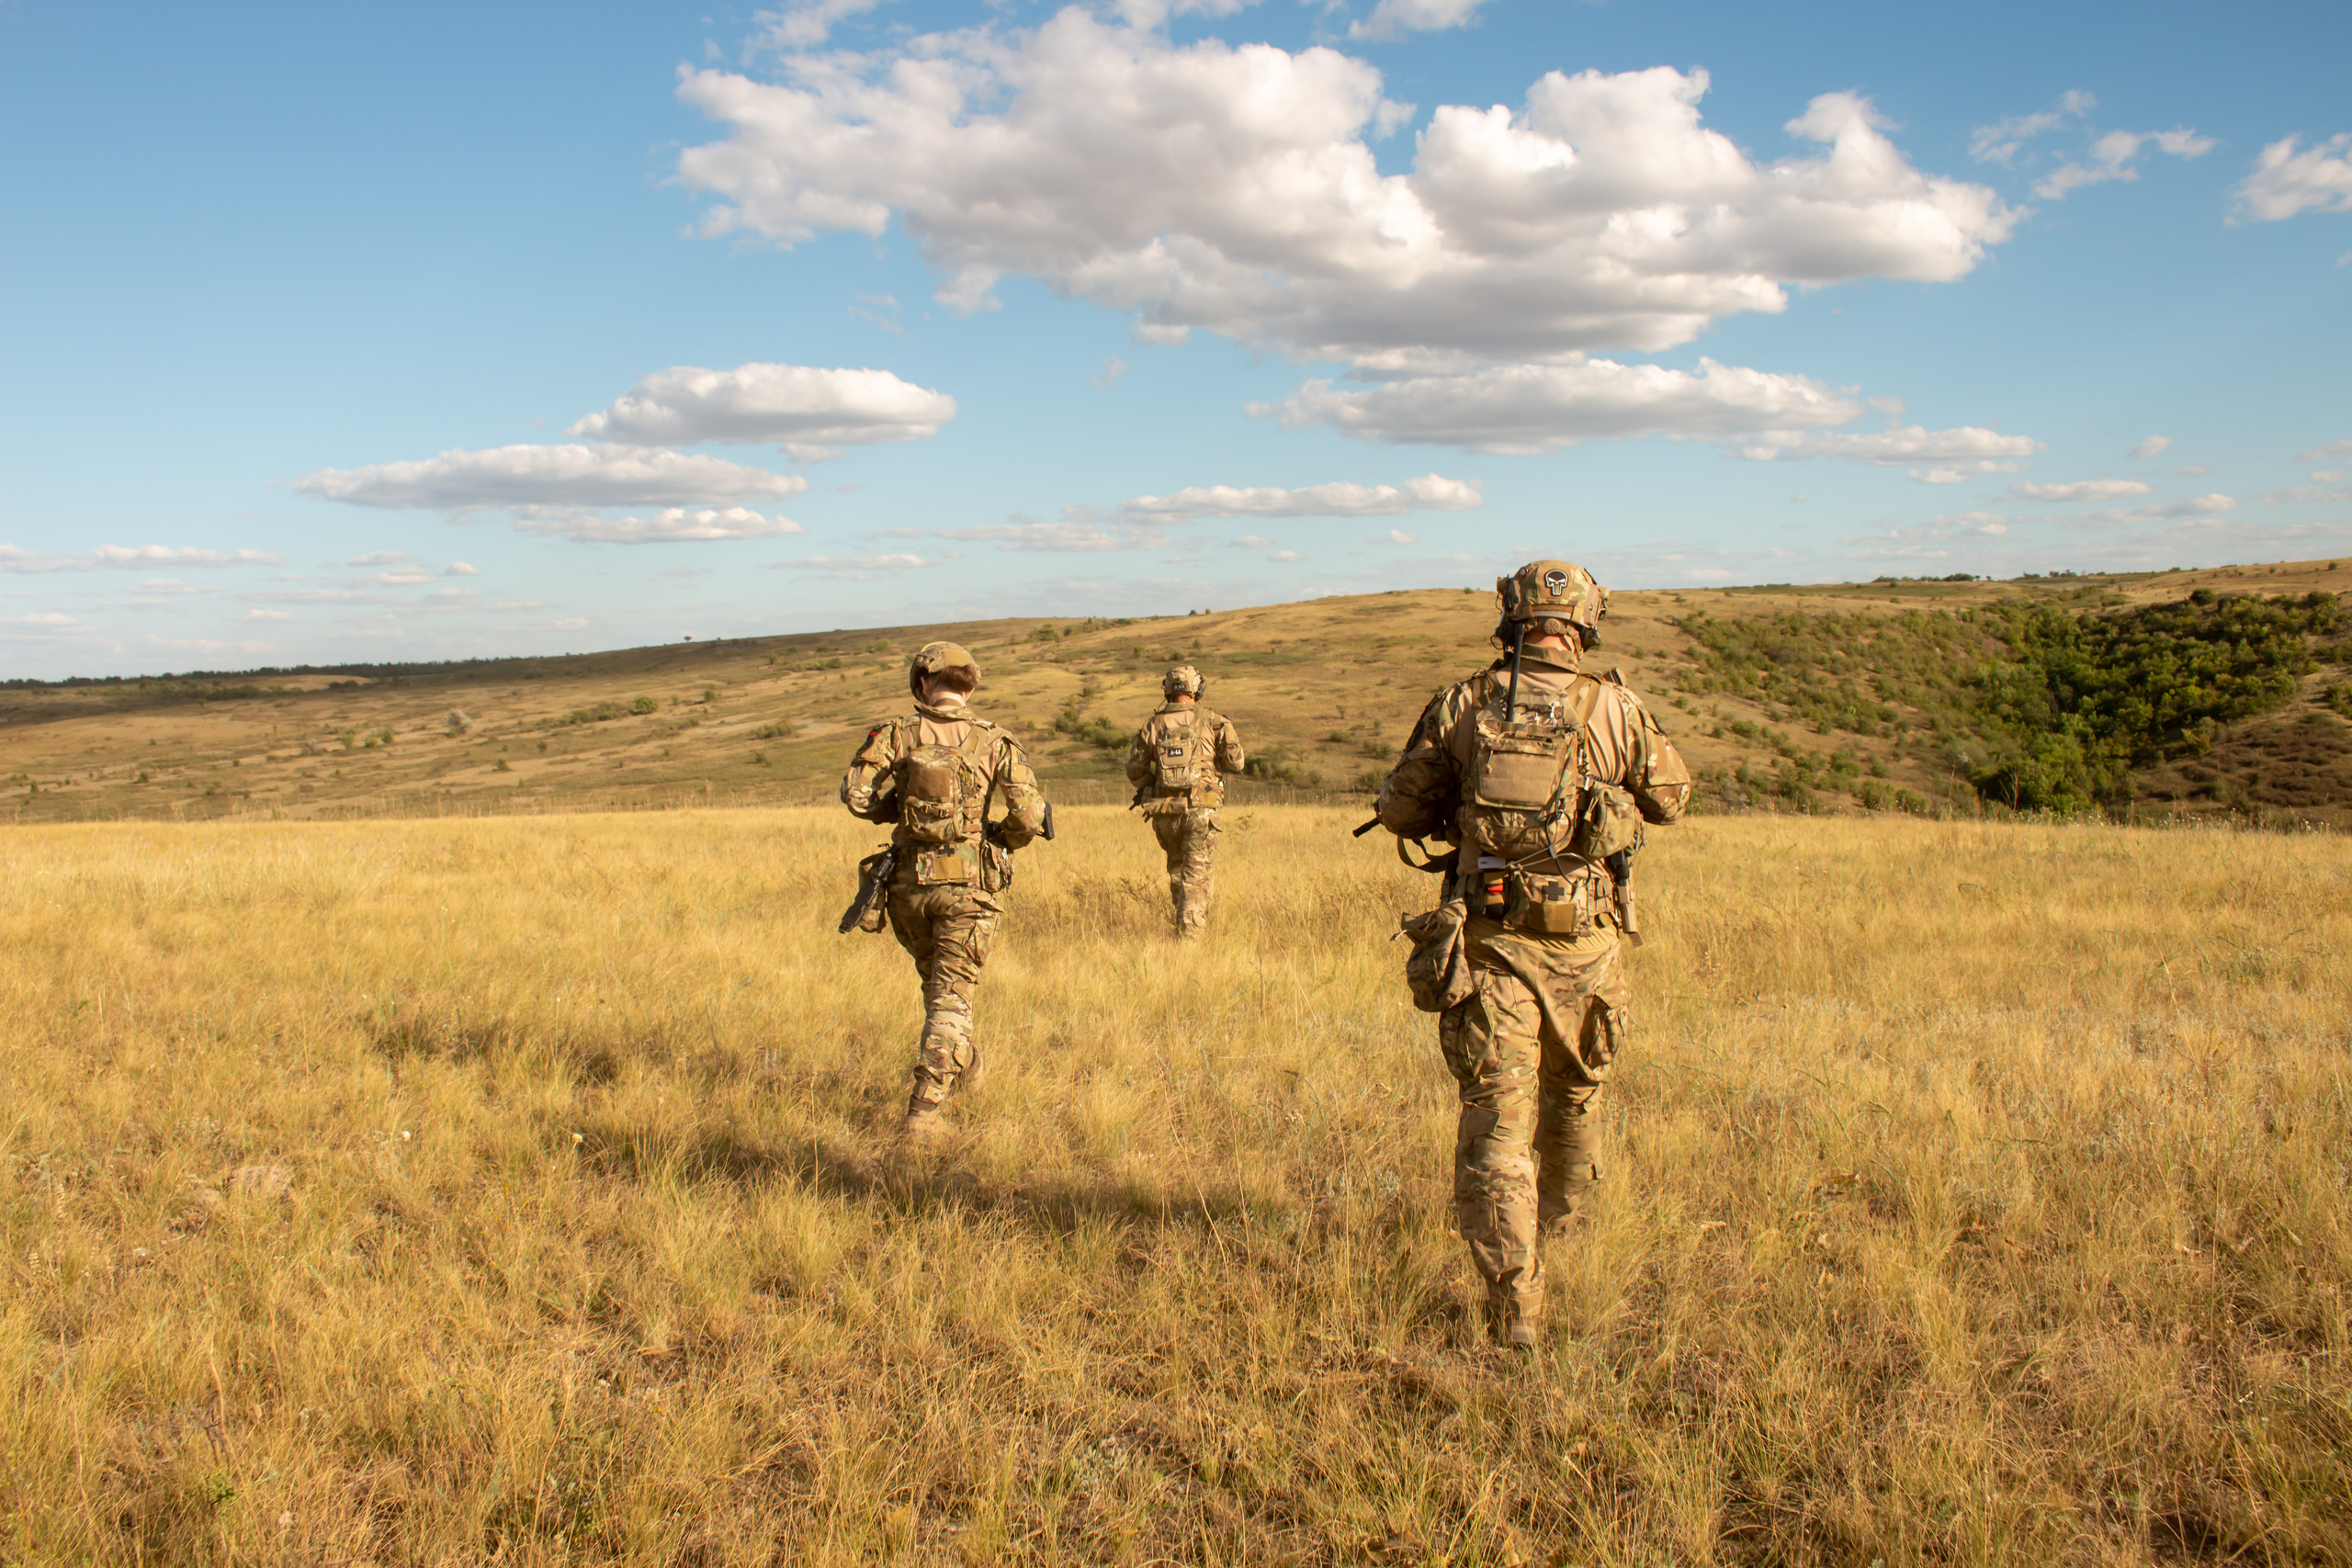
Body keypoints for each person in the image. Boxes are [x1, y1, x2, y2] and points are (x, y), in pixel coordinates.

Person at [1374, 561, 1690, 1348]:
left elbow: (1397, 807)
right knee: (1575, 1096)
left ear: (1511, 618)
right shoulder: (1617, 707)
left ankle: (1516, 1305)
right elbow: (1673, 799)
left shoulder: (1463, 703)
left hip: (1493, 946)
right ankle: (1564, 1233)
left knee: (1496, 1121)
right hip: (1588, 951)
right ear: (1586, 623)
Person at [841, 641, 1051, 1142]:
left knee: (939, 992)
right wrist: (1003, 837)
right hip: (968, 890)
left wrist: (894, 810)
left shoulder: (895, 734)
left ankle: (966, 1065)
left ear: (921, 683)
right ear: (970, 685)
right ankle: (923, 1118)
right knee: (950, 1000)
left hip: (907, 887)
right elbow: (1027, 816)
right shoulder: (996, 740)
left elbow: (857, 795)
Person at [1124, 664, 1247, 938]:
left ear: (1167, 690)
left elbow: (1135, 770)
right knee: (1196, 878)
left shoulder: (1152, 724)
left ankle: (1179, 933)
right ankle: (1189, 946)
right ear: (1197, 689)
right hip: (1201, 812)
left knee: (1178, 874)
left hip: (1166, 814)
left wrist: (1151, 785)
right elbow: (1237, 763)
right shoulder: (1215, 722)